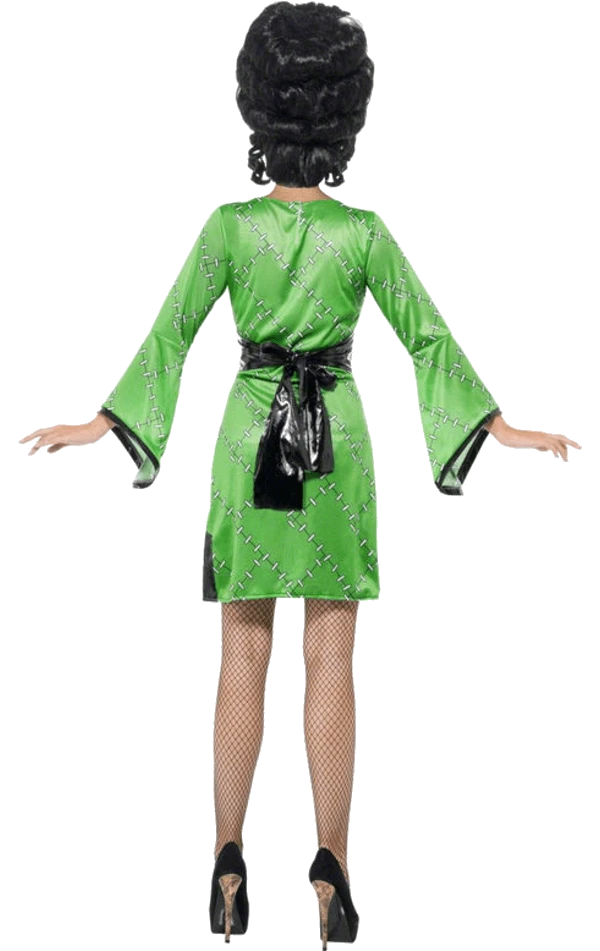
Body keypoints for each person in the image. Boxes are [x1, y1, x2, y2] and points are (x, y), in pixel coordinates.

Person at [18, 3, 581, 945]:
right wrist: (493, 422)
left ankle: (226, 861)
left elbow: (170, 337)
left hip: (249, 441)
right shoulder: (363, 235)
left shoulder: (229, 229)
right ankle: (333, 871)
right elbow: (427, 339)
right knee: (332, 654)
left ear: (257, 105)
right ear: (348, 112)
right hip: (335, 448)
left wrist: (108, 419)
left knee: (239, 652)